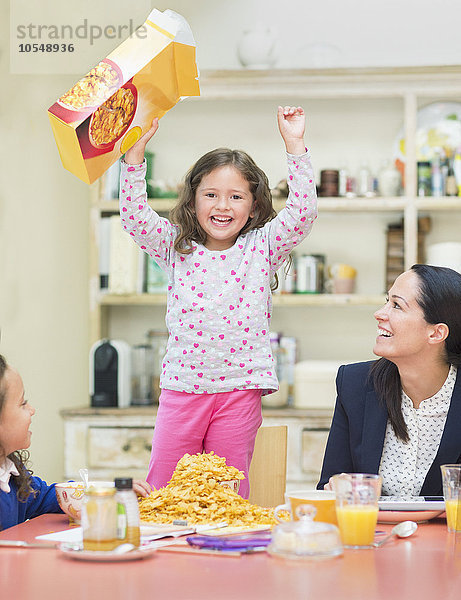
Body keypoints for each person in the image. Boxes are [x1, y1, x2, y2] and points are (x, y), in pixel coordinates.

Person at [120, 106, 317, 497]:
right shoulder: (176, 246)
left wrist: (295, 146)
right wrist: (134, 155)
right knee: (165, 492)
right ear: (193, 201)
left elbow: (302, 213)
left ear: (254, 206)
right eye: (211, 194)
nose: (222, 206)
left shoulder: (262, 246)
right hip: (182, 390)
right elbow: (134, 216)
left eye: (235, 196)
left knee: (227, 496)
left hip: (240, 390)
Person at [318, 264, 461, 496]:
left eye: (397, 305)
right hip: (374, 532)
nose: (380, 313)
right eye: (387, 301)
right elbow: (326, 486)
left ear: (436, 333)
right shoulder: (354, 384)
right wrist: (337, 485)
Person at [0, 354, 151, 530]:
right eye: (23, 403)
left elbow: (52, 497)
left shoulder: (13, 476)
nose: (32, 410)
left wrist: (112, 490)